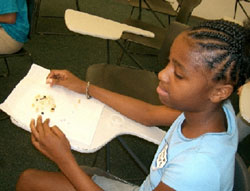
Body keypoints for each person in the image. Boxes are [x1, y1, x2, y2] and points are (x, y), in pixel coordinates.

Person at [16, 19, 250, 191]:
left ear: (220, 91)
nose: (161, 74)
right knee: (29, 180)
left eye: (178, 74)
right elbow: (149, 114)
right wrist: (85, 87)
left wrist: (64, 159)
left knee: (31, 181)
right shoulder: (213, 108)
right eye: (169, 62)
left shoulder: (197, 168)